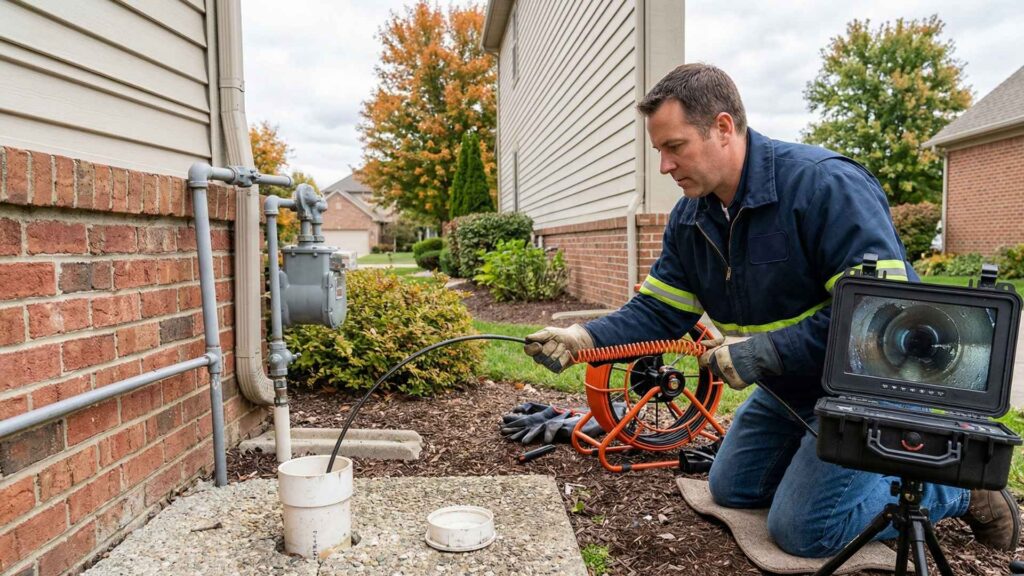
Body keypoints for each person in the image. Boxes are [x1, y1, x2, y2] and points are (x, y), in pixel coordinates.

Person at [523, 63, 1020, 557]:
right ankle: (817, 472)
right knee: (731, 488)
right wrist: (585, 339)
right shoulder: (692, 217)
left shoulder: (824, 187)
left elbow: (884, 315)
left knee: (805, 532)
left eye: (674, 148)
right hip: (791, 390)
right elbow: (658, 311)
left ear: (722, 127)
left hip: (865, 391)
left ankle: (954, 492)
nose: (664, 166)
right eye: (660, 151)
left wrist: (763, 352)